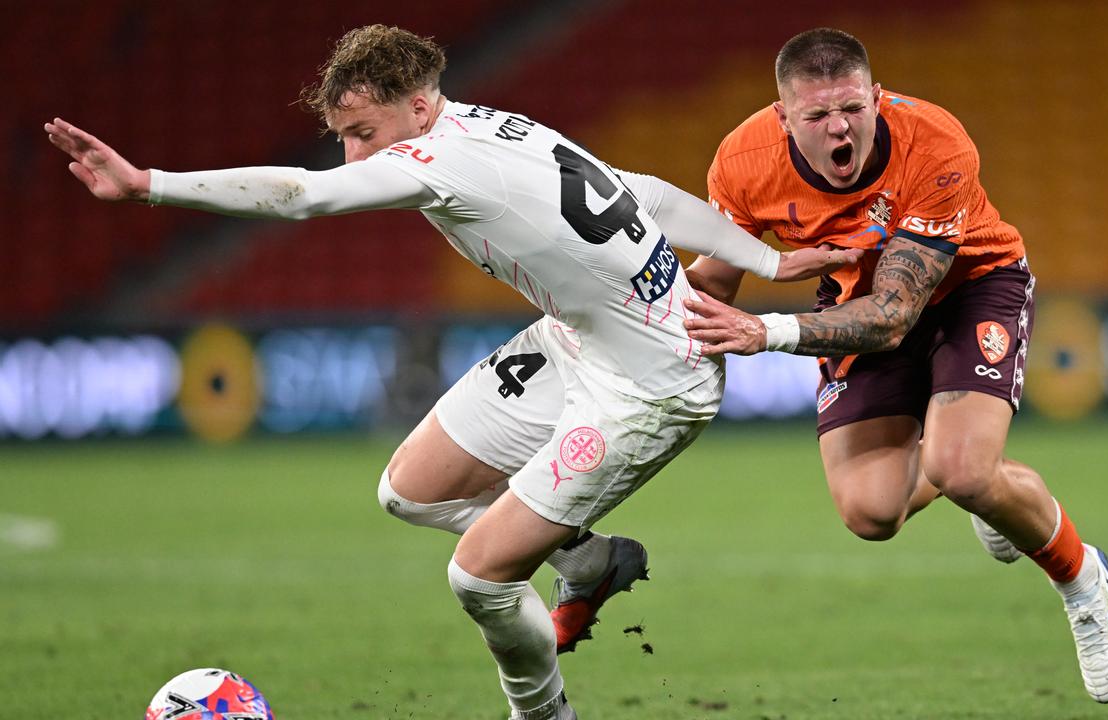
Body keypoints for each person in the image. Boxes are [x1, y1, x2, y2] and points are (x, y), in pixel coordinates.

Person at [45, 25, 860, 720]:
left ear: (420, 108)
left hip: (651, 381)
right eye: (343, 136)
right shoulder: (498, 126)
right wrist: (766, 257)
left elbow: (301, 195)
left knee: (477, 577)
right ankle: (584, 559)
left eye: (364, 132)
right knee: (410, 490)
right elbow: (641, 191)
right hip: (581, 338)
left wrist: (149, 185)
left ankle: (542, 712)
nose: (353, 154)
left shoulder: (441, 157)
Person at [682, 28, 1108, 704]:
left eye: (853, 109)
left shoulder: (935, 142)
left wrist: (766, 331)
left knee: (961, 468)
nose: (840, 128)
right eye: (817, 116)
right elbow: (714, 281)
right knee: (870, 512)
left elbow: (895, 313)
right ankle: (984, 488)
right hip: (853, 298)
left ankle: (1081, 580)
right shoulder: (743, 161)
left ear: (876, 97)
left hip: (971, 286)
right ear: (783, 117)